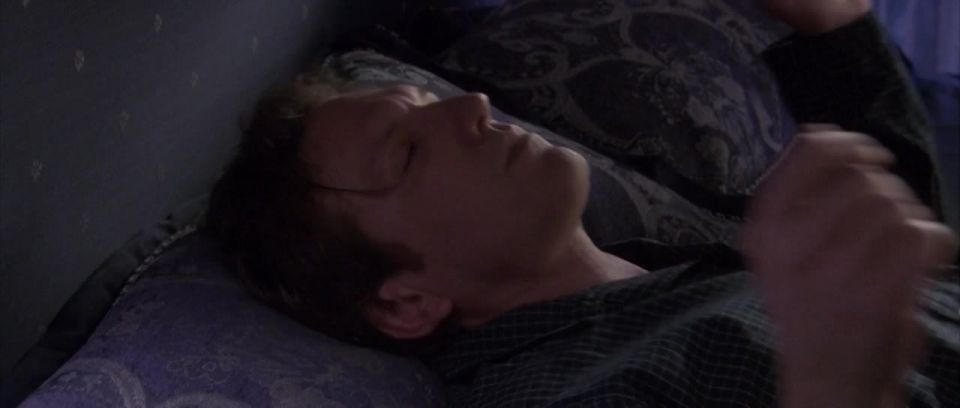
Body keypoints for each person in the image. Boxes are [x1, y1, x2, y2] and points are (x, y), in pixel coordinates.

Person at [205, 0, 960, 406]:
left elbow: (904, 260)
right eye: (407, 151)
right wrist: (839, 386)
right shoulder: (570, 392)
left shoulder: (677, 260)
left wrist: (839, 31)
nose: (471, 107)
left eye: (429, 102)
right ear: (406, 302)